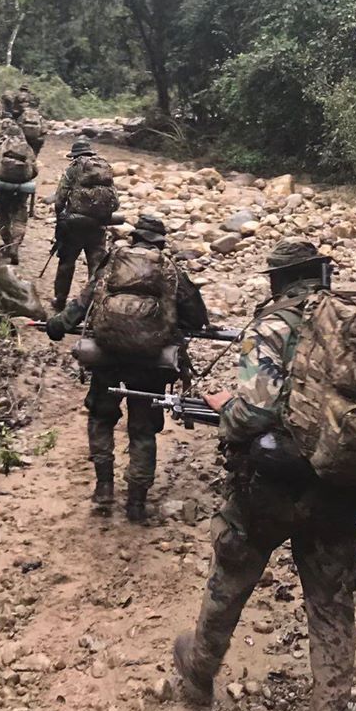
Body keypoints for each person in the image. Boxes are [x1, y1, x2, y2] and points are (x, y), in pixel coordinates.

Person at [173, 239, 356, 711]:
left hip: (268, 489)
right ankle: (329, 705)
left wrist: (225, 409)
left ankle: (200, 671)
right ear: (320, 274)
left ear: (277, 280)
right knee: (330, 605)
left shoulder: (271, 323)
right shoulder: (355, 326)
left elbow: (255, 414)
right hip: (338, 487)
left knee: (231, 577)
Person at [46, 215, 209, 522]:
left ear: (134, 238)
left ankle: (104, 487)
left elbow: (84, 302)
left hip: (108, 355)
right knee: (143, 429)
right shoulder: (171, 269)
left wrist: (58, 325)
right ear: (160, 242)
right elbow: (197, 318)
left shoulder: (111, 262)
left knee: (101, 417)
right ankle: (136, 501)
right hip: (150, 364)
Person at [51, 138, 119, 312]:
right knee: (96, 265)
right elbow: (115, 200)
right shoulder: (104, 168)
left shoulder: (73, 169)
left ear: (75, 155)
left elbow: (60, 197)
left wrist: (61, 217)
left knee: (67, 262)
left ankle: (60, 300)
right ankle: (94, 305)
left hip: (74, 225)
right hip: (99, 225)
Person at [0, 120, 37, 265]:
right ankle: (15, 246)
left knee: (3, 215)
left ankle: (7, 243)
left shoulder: (1, 147)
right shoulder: (27, 148)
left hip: (3, 188)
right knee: (20, 218)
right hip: (21, 188)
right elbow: (34, 171)